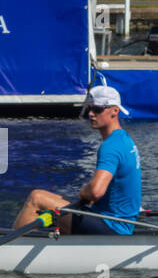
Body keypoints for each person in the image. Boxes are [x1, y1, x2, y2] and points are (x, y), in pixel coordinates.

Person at [11, 85, 141, 234]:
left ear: (115, 111)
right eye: (90, 109)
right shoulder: (125, 140)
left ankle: (9, 251)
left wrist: (84, 192)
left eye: (97, 109)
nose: (91, 114)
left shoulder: (110, 146)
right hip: (120, 222)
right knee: (57, 198)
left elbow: (95, 192)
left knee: (37, 198)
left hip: (111, 227)